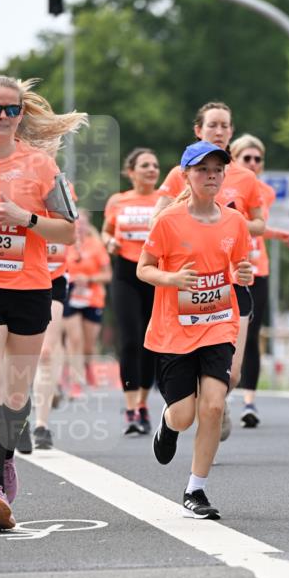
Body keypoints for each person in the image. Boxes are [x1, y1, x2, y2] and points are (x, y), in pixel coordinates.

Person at [0, 75, 85, 529]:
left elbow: (69, 232)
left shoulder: (42, 167)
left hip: (30, 288)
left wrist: (27, 218)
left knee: (16, 397)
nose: (2, 117)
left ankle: (6, 454)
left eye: (10, 110)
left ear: (21, 114)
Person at [137, 141, 253, 519]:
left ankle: (195, 489)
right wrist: (171, 277)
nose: (211, 176)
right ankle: (169, 425)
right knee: (185, 414)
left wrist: (243, 273)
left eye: (218, 169)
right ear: (185, 174)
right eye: (202, 169)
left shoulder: (235, 221)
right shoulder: (169, 220)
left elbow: (238, 266)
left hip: (219, 322)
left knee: (215, 404)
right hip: (175, 329)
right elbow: (144, 268)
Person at [155, 102, 264, 441]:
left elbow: (260, 222)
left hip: (231, 281)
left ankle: (215, 401)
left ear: (232, 132)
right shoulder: (180, 173)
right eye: (213, 125)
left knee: (232, 374)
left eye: (225, 126)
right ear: (198, 130)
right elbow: (157, 218)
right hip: (188, 288)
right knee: (192, 382)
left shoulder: (245, 177)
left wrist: (229, 220)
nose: (219, 131)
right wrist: (192, 212)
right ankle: (193, 409)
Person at [230, 133, 289, 428]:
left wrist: (277, 233)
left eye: (258, 159)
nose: (253, 163)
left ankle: (249, 401)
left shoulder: (266, 191)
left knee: (253, 333)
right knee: (228, 334)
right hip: (229, 268)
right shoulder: (225, 185)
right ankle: (222, 389)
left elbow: (256, 227)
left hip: (259, 268)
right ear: (234, 159)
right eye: (247, 158)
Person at [102, 148, 162, 435]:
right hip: (126, 273)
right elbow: (106, 231)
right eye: (145, 165)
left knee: (149, 342)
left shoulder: (166, 200)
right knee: (129, 340)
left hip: (154, 275)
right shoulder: (119, 201)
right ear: (131, 172)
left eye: (155, 165)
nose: (152, 169)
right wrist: (110, 242)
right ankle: (129, 408)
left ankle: (143, 404)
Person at [27, 180, 78, 450]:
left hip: (53, 275)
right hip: (15, 275)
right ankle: (17, 411)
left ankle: (41, 425)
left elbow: (70, 231)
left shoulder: (61, 185)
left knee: (47, 351)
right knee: (11, 352)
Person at [62, 209, 112, 398]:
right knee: (74, 339)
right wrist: (74, 279)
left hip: (92, 297)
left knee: (88, 345)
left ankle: (88, 364)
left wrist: (89, 278)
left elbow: (108, 275)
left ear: (87, 225)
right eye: (76, 223)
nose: (79, 227)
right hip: (70, 296)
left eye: (82, 223)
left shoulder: (96, 246)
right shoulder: (65, 244)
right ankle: (76, 383)